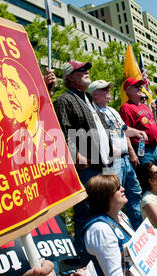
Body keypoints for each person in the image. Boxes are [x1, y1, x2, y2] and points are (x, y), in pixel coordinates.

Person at [53, 60, 113, 257]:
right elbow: (63, 130)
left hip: (100, 163)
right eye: (81, 70)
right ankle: (85, 259)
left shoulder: (88, 98)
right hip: (84, 167)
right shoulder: (65, 100)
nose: (87, 72)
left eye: (87, 69)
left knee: (101, 211)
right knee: (85, 214)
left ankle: (102, 254)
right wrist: (75, 154)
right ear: (70, 77)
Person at [88, 80, 145, 229]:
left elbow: (124, 130)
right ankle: (118, 232)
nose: (108, 90)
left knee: (134, 194)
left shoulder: (112, 110)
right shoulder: (92, 113)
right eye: (104, 89)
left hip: (125, 159)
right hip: (111, 162)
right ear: (94, 94)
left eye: (108, 87)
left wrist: (137, 132)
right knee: (113, 199)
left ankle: (138, 231)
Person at [119, 78, 157, 170]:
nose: (140, 88)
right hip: (142, 151)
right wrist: (132, 152)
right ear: (128, 90)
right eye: (136, 86)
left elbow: (152, 128)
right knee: (148, 180)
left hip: (154, 149)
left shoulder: (145, 107)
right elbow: (125, 133)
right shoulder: (126, 108)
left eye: (140, 86)